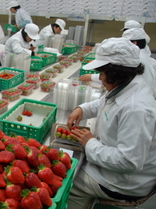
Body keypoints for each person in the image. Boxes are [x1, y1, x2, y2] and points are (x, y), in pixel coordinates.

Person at [66, 37, 156, 209]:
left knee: (68, 179)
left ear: (116, 73)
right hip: (115, 167)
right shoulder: (128, 85)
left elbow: (128, 161)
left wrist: (90, 143)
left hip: (123, 181)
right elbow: (106, 103)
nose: (99, 78)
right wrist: (82, 109)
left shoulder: (137, 108)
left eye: (101, 73)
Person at [123, 27, 156, 98]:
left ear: (134, 43)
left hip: (136, 98)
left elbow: (118, 77)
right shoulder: (151, 60)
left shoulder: (134, 60)